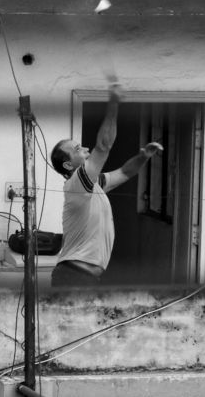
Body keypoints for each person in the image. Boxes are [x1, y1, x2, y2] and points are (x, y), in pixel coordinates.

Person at [49, 85, 162, 287]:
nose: (85, 148)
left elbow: (125, 172)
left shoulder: (92, 184)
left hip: (82, 278)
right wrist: (114, 103)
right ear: (68, 165)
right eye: (78, 149)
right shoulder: (77, 183)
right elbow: (103, 146)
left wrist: (143, 156)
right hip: (73, 277)